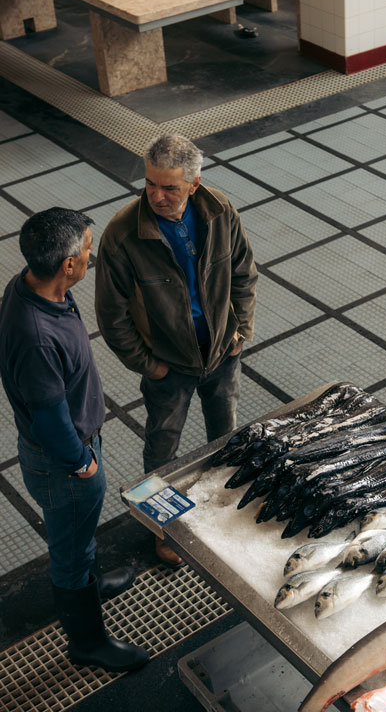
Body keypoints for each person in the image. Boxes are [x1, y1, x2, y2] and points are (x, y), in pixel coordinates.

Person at [95, 134, 257, 567]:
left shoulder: (220, 211)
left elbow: (243, 274)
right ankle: (163, 532)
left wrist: (241, 330)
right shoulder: (123, 234)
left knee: (226, 439)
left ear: (194, 184)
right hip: (170, 368)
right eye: (150, 184)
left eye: (169, 187)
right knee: (162, 453)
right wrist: (151, 366)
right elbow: (111, 317)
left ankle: (225, 510)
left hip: (223, 354)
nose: (157, 196)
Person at [0, 208, 148, 673]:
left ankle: (92, 582)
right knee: (69, 554)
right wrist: (82, 462)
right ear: (67, 265)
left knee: (80, 539)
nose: (92, 255)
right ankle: (88, 644)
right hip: (64, 462)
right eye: (87, 249)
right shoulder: (37, 337)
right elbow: (48, 419)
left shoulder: (32, 286)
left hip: (68, 453)